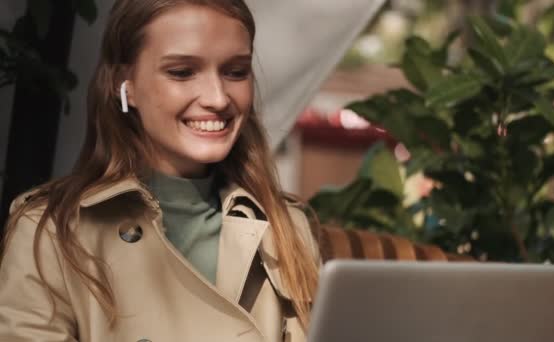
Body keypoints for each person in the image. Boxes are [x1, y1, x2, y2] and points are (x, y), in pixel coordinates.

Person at [0, 0, 320, 341]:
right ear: (126, 84)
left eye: (235, 72)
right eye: (182, 72)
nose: (218, 98)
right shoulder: (52, 229)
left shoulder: (288, 227)